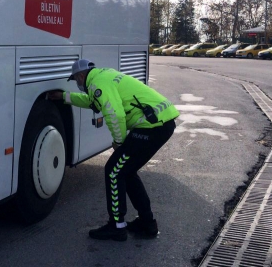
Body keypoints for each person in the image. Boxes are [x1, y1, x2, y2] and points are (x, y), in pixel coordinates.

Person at [48, 59, 179, 241]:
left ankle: (117, 226)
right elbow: (91, 102)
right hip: (160, 123)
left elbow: (115, 114)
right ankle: (147, 223)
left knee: (113, 171)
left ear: (80, 76)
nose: (78, 84)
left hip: (151, 126)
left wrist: (119, 142)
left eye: (76, 80)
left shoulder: (97, 83)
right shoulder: (103, 76)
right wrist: (64, 97)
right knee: (126, 171)